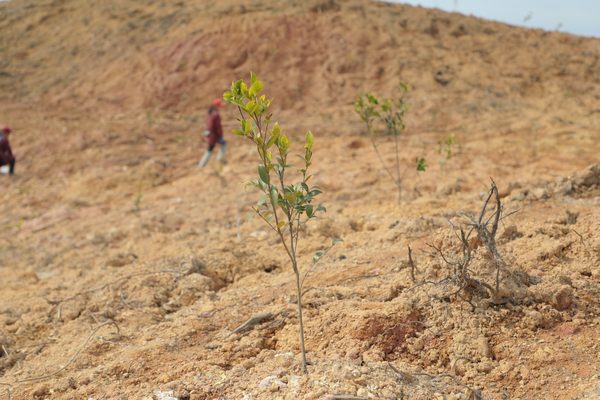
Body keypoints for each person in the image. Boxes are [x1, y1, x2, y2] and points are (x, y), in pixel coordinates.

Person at [198, 99, 226, 168]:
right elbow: (217, 127)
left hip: (211, 135)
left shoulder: (210, 113)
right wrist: (220, 135)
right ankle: (220, 160)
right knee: (222, 145)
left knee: (210, 149)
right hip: (214, 135)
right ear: (216, 106)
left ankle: (202, 164)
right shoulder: (216, 114)